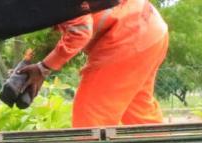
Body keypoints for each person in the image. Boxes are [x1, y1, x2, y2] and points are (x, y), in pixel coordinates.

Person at [18, 0, 169, 127]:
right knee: (138, 110)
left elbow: (80, 31)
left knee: (90, 115)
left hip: (129, 35)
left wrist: (43, 68)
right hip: (151, 28)